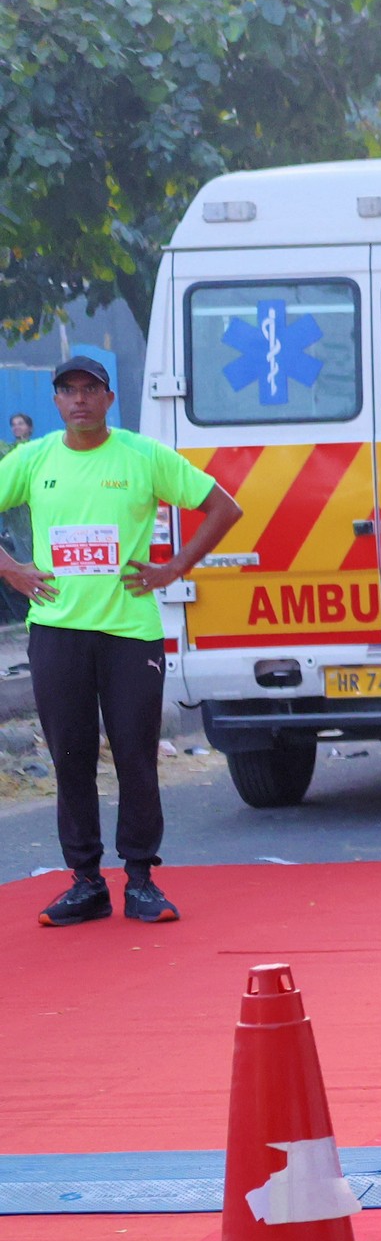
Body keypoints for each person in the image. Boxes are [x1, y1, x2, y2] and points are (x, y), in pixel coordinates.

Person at [0, 361, 242, 925]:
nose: (79, 400)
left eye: (91, 390)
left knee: (135, 756)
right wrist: (11, 570)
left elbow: (223, 507)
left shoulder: (142, 456)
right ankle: (86, 882)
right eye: (68, 391)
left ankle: (140, 879)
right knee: (71, 759)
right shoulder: (34, 459)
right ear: (56, 402)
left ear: (109, 399)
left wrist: (175, 567)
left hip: (130, 634)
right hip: (57, 631)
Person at [0, 410, 35, 624]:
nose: (17, 427)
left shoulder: (37, 449)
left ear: (29, 427)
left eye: (20, 423)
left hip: (35, 514)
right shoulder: (8, 451)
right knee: (24, 560)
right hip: (16, 519)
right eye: (14, 424)